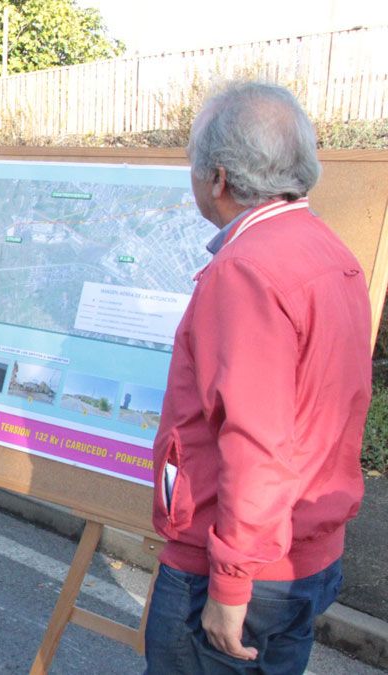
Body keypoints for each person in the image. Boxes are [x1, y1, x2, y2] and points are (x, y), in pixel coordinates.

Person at [145, 81, 372, 674]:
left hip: (242, 568)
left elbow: (256, 442)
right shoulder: (327, 249)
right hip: (304, 552)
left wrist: (230, 584)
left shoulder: (245, 270)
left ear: (218, 178)